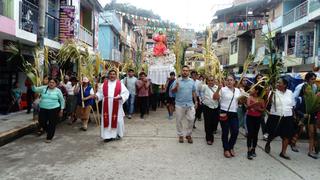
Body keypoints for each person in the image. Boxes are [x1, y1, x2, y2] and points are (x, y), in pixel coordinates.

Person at [264, 78, 296, 160]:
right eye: (277, 82)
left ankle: (283, 152)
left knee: (287, 135)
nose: (277, 84)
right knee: (273, 133)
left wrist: (294, 116)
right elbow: (269, 102)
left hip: (287, 116)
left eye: (279, 83)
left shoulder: (290, 92)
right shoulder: (274, 92)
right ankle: (268, 142)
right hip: (276, 116)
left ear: (285, 85)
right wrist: (271, 93)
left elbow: (292, 105)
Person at [95, 69, 129, 142]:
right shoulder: (104, 84)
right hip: (106, 105)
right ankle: (107, 136)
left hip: (116, 104)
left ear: (116, 75)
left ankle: (117, 134)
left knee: (118, 120)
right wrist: (97, 96)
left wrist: (120, 97)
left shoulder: (120, 84)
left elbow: (126, 93)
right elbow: (100, 93)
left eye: (114, 74)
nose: (112, 75)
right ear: (109, 75)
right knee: (107, 120)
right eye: (111, 74)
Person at [293, 72, 320, 159]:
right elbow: (295, 98)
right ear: (307, 79)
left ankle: (310, 151)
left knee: (312, 133)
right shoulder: (301, 86)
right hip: (303, 112)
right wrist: (297, 112)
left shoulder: (315, 87)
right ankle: (293, 144)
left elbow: (314, 100)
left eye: (314, 79)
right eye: (312, 79)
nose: (313, 81)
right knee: (299, 130)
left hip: (311, 113)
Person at [213, 74, 241, 158]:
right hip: (224, 112)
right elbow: (214, 97)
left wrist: (244, 96)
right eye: (228, 80)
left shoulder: (238, 90)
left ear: (234, 81)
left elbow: (239, 102)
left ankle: (231, 146)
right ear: (225, 81)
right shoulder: (222, 89)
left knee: (235, 131)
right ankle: (226, 149)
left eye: (231, 80)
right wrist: (218, 89)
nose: (229, 81)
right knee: (225, 132)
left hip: (234, 113)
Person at [32, 77, 65, 143]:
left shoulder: (58, 90)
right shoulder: (44, 88)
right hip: (43, 108)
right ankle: (48, 131)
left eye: (53, 82)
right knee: (41, 122)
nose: (51, 84)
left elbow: (62, 100)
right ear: (48, 83)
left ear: (56, 84)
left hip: (54, 109)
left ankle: (49, 137)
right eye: (50, 82)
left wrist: (62, 109)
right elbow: (35, 89)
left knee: (52, 123)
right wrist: (32, 82)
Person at [171, 65, 197, 144]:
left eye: (186, 71)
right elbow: (172, 91)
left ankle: (188, 134)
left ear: (188, 72)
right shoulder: (177, 81)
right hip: (179, 104)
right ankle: (181, 135)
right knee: (179, 121)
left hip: (189, 104)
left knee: (191, 119)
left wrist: (196, 101)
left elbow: (193, 92)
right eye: (184, 70)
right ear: (181, 72)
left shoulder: (192, 81)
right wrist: (176, 87)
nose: (185, 72)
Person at [246, 86, 265, 160]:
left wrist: (258, 108)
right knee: (250, 134)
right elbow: (247, 107)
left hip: (257, 118)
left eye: (253, 89)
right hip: (249, 117)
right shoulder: (249, 97)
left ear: (256, 91)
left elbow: (263, 109)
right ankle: (249, 150)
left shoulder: (261, 99)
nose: (251, 90)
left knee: (255, 134)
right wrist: (254, 104)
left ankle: (254, 149)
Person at [202, 76, 219, 145]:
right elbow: (199, 88)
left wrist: (219, 89)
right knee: (208, 123)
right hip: (207, 107)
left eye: (212, 80)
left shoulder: (218, 88)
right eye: (209, 80)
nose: (210, 82)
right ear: (207, 81)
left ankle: (211, 134)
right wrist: (202, 81)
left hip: (215, 107)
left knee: (214, 123)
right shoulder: (205, 87)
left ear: (214, 81)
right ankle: (209, 138)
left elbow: (216, 98)